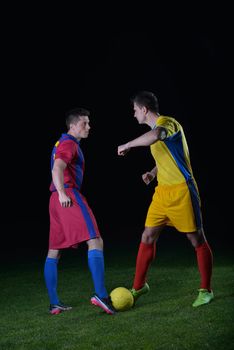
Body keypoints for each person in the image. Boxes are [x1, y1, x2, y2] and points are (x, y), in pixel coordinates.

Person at [117, 91, 214, 308]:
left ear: (144, 110)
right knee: (147, 236)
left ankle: (206, 290)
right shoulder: (153, 132)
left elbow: (158, 136)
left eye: (134, 110)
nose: (133, 115)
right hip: (162, 193)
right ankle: (139, 285)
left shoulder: (167, 123)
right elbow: (167, 158)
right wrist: (153, 173)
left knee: (196, 239)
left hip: (182, 191)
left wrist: (128, 144)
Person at [44, 108, 115, 315]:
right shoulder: (69, 143)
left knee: (54, 251)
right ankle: (101, 296)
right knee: (95, 240)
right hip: (67, 195)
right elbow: (57, 167)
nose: (89, 127)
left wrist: (58, 194)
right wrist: (63, 193)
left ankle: (54, 303)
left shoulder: (61, 142)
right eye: (85, 123)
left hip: (54, 200)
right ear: (73, 125)